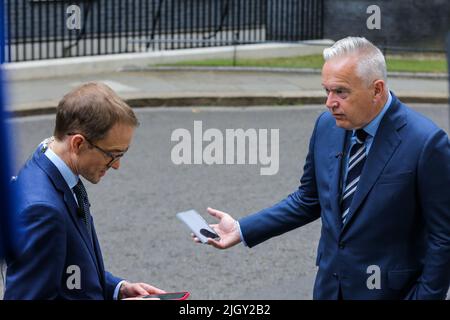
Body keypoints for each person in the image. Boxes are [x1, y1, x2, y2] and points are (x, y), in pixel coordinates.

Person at [197, 37, 450, 300]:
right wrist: (241, 229)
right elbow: (308, 199)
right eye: (326, 91)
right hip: (330, 290)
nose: (330, 103)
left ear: (377, 90)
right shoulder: (327, 125)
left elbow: (443, 237)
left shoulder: (426, 143)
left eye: (341, 92)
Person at [4, 82, 166, 299]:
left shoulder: (48, 161)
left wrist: (117, 289)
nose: (116, 165)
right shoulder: (43, 211)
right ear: (78, 144)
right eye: (113, 154)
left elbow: (71, 273)